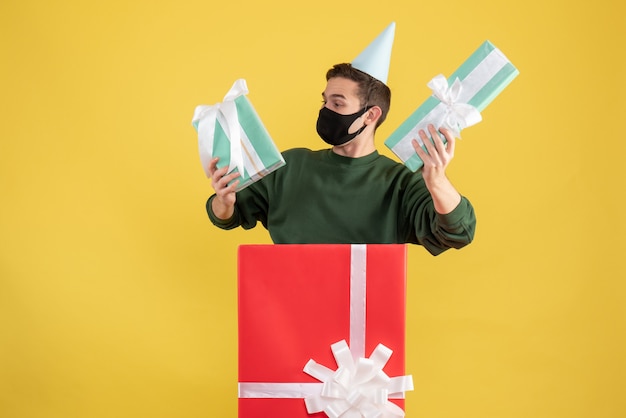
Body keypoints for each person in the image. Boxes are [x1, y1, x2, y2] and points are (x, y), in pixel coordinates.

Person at [204, 61, 476, 255]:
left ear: (371, 115)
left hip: (363, 322)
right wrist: (224, 200)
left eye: (337, 103)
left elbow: (459, 233)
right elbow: (226, 216)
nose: (325, 110)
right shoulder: (289, 167)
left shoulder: (400, 184)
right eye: (324, 102)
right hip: (288, 314)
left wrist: (437, 180)